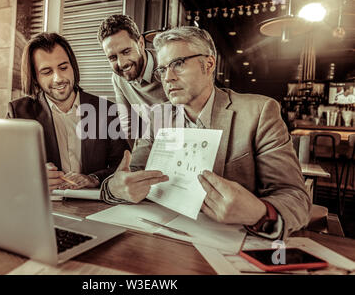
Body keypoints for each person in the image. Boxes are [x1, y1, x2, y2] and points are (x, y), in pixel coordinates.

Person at [100, 26, 311, 239]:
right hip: (164, 240)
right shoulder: (157, 118)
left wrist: (259, 213)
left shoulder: (259, 113)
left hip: (232, 242)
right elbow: (131, 176)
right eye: (162, 69)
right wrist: (116, 187)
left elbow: (295, 197)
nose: (168, 78)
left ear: (208, 64)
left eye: (178, 64)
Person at [8, 32, 129, 190]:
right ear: (35, 78)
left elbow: (122, 166)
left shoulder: (106, 110)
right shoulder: (18, 113)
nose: (58, 78)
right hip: (43, 205)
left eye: (63, 67)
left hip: (91, 207)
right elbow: (4, 168)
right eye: (47, 72)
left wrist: (94, 179)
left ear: (73, 67)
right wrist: (31, 176)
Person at [98, 15, 169, 145]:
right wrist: (132, 161)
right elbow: (127, 123)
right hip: (154, 142)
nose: (121, 63)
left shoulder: (167, 64)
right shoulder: (118, 78)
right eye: (112, 57)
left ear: (140, 43)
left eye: (126, 52)